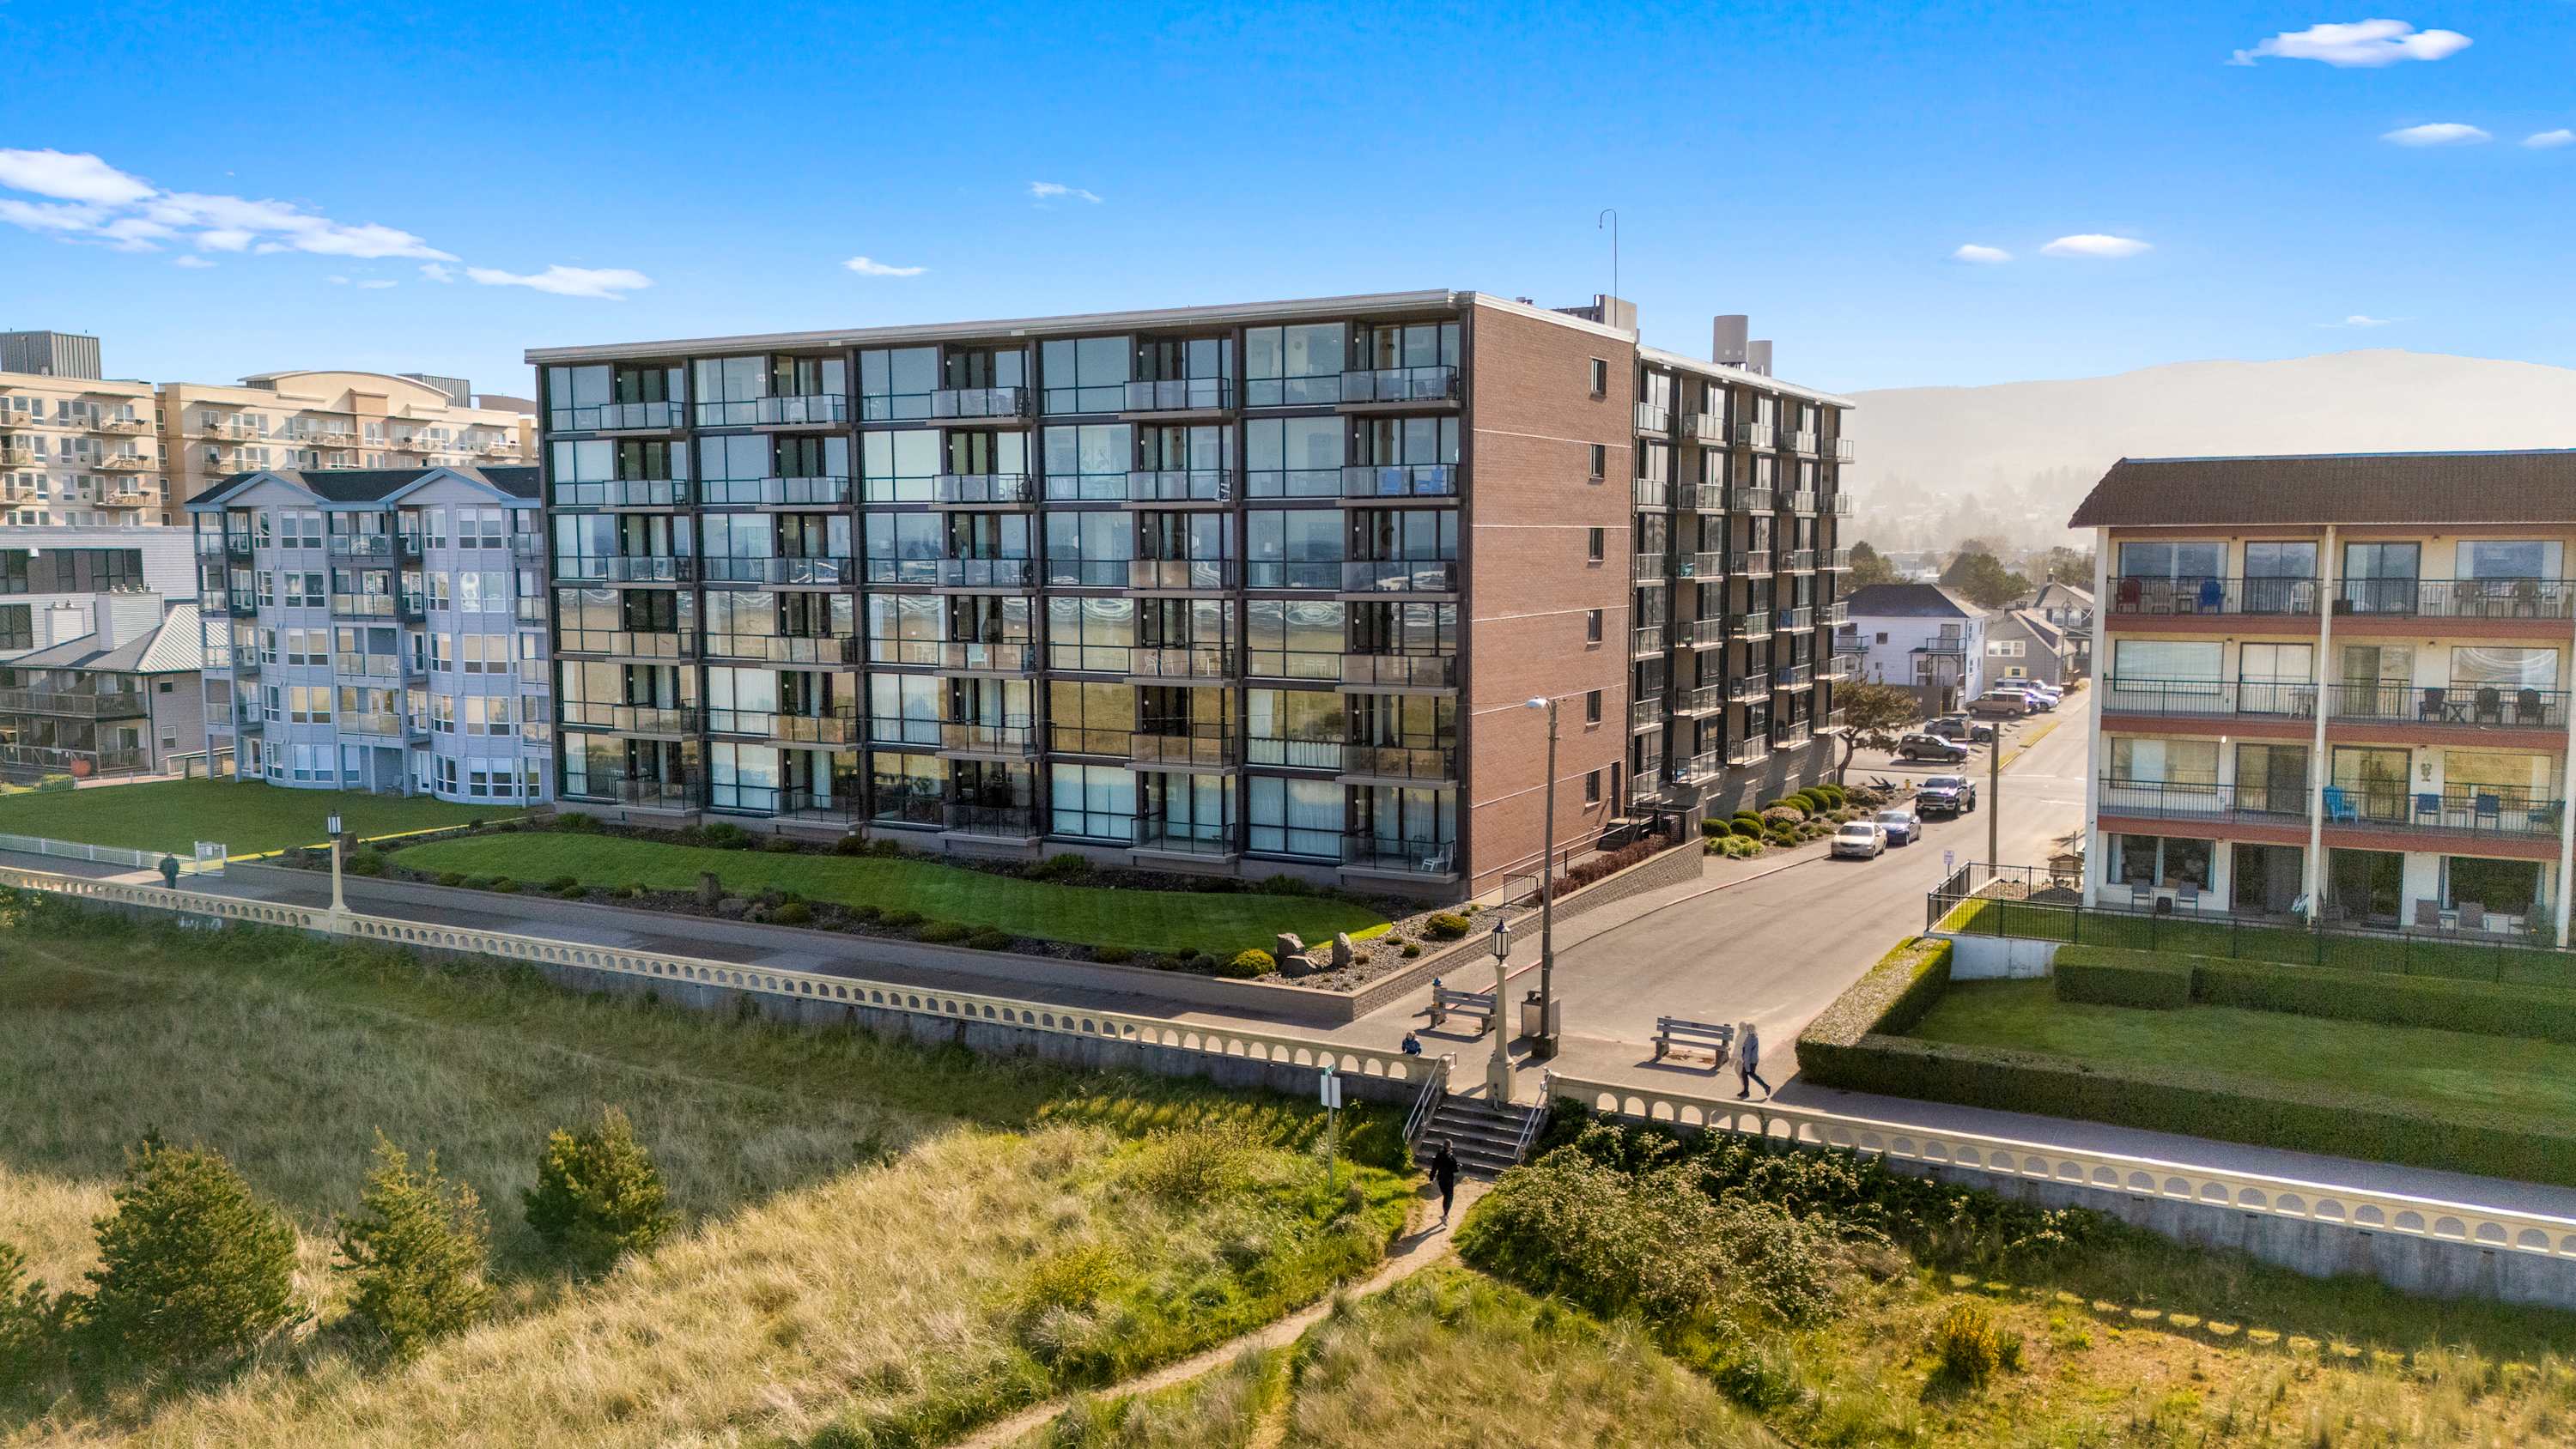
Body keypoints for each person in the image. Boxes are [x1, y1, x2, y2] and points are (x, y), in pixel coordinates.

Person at [1736, 1023, 1772, 1100]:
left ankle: (1765, 1087)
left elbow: (1747, 1053)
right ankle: (1747, 1091)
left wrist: (1747, 1066)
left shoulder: (1750, 1038)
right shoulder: (1754, 1036)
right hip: (1753, 1060)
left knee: (1748, 1073)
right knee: (1748, 1074)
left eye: (1746, 1029)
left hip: (1750, 1061)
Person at [1430, 1140, 1460, 1226]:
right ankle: (1445, 1215)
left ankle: (1445, 1215)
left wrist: (1431, 1177)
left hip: (1440, 1178)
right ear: (1450, 1146)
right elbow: (1455, 1169)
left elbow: (1434, 1166)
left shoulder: (1439, 1154)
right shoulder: (1450, 1156)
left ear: (1443, 1145)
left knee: (1446, 1196)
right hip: (1448, 1179)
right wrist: (1457, 1165)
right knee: (1449, 1197)